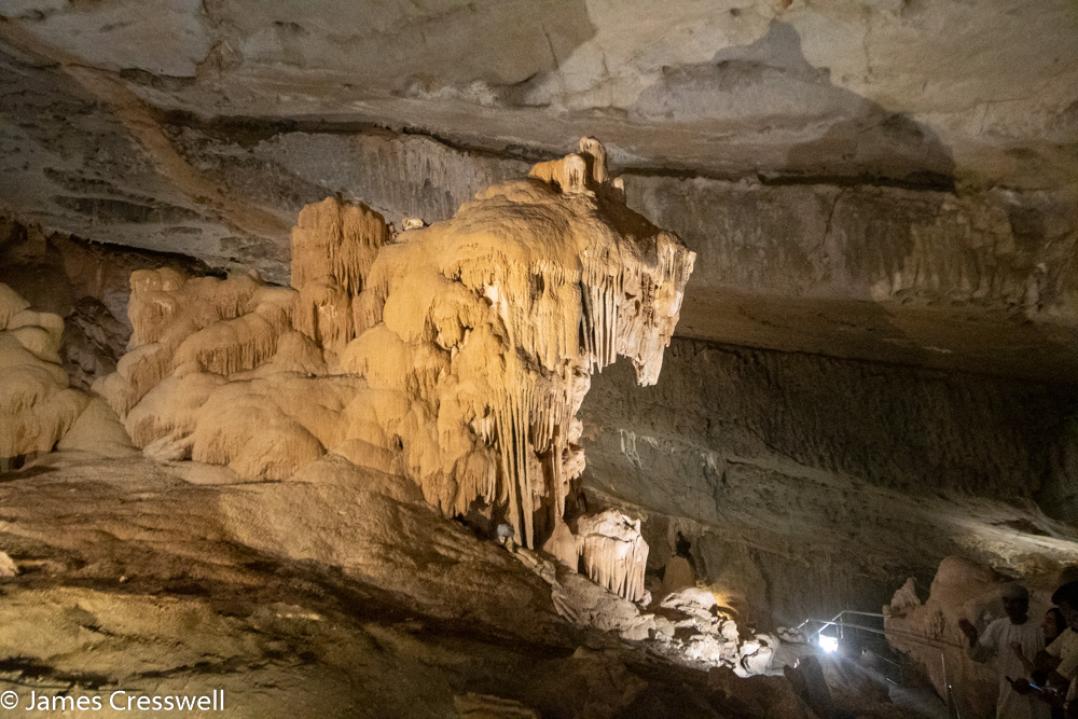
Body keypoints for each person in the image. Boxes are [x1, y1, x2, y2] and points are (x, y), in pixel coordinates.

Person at [959, 583, 1050, 719]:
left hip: (1035, 693)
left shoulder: (1039, 629)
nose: (1009, 606)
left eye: (1014, 602)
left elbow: (1047, 665)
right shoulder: (998, 627)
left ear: (1025, 604)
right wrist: (973, 638)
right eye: (1006, 601)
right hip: (1009, 693)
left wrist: (1031, 684)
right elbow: (980, 655)